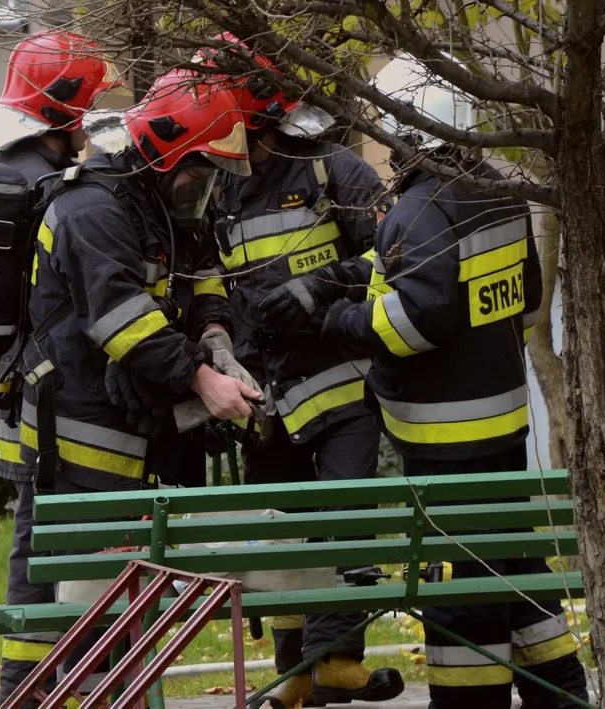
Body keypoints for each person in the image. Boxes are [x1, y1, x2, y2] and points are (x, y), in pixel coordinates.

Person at [321, 55, 588, 709]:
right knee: (512, 557)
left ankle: (470, 699)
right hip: (503, 422)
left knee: (461, 580)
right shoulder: (499, 191)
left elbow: (418, 319)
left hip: (444, 439)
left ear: (405, 131)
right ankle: (561, 685)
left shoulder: (415, 211)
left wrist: (343, 319)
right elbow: (524, 298)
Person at [17, 67, 260, 692]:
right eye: (199, 172)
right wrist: (205, 382)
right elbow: (121, 321)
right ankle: (26, 695)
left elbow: (203, 274)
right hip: (81, 439)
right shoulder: (90, 210)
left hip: (140, 431)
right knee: (73, 592)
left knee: (127, 603)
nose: (202, 189)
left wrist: (217, 340)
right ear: (163, 154)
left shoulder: (164, 201)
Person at [209, 43, 402, 707]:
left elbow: (397, 256)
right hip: (267, 396)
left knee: (345, 520)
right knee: (283, 535)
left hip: (343, 385)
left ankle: (338, 656)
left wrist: (322, 287)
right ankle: (296, 671)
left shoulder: (334, 170)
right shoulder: (219, 189)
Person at [0, 29, 119, 700]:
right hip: (50, 398)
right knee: (52, 539)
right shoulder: (57, 190)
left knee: (37, 534)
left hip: (11, 385)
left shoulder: (4, 167)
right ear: (67, 111)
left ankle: (27, 681)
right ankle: (41, 682)